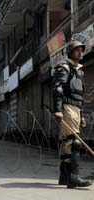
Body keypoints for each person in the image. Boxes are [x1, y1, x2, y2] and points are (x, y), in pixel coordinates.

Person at [53, 40, 92, 188]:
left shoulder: (79, 71)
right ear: (70, 52)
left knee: (67, 142)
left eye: (82, 50)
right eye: (77, 50)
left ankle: (64, 177)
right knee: (73, 142)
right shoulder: (64, 67)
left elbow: (79, 95)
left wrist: (81, 115)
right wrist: (58, 109)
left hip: (75, 109)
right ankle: (73, 177)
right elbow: (58, 88)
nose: (81, 52)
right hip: (67, 107)